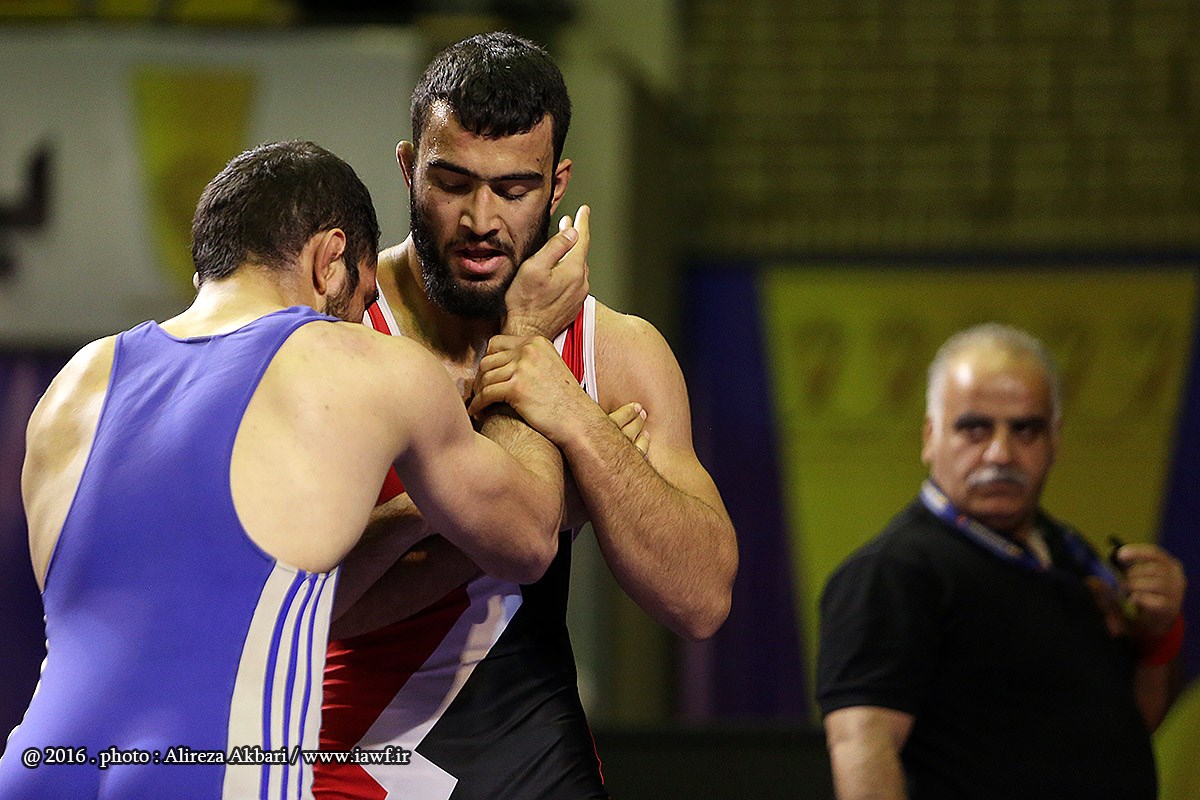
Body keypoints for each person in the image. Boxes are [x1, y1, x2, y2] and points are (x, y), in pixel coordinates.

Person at [0, 140, 572, 800]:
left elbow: (190, 587)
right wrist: (527, 335)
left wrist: (410, 514)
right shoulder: (361, 363)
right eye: (362, 300)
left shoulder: (75, 387)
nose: (359, 322)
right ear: (330, 260)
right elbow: (529, 538)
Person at [315, 32, 738, 800]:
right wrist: (522, 503)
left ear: (557, 185)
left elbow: (701, 600)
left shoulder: (616, 351)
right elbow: (298, 602)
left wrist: (575, 417)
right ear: (408, 169)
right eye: (453, 183)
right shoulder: (332, 335)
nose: (481, 220)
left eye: (513, 189)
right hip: (346, 759)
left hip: (532, 764)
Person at [816, 323, 1188, 800]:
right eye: (974, 428)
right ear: (930, 437)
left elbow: (1126, 728)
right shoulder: (893, 571)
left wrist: (1156, 634)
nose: (1000, 452)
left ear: (1055, 439)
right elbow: (863, 745)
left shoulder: (1068, 554)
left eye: (1025, 429)